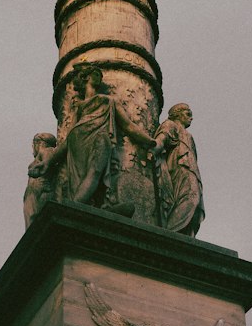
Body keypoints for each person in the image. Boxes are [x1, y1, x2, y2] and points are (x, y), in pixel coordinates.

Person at [49, 63, 154, 212]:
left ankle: (84, 205)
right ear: (86, 78)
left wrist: (148, 141)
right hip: (87, 139)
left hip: (86, 138)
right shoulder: (100, 102)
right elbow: (128, 125)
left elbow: (129, 126)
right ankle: (75, 208)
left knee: (91, 173)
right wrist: (48, 161)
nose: (100, 77)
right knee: (94, 172)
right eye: (96, 74)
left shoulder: (101, 102)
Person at [153, 102, 204, 235]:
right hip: (180, 169)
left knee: (196, 206)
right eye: (188, 114)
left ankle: (185, 235)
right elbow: (161, 140)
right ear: (177, 114)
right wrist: (152, 150)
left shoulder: (189, 136)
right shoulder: (171, 125)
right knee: (190, 198)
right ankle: (170, 232)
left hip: (192, 171)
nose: (191, 118)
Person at [23, 131, 58, 228]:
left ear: (39, 143)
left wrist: (36, 171)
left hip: (41, 188)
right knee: (31, 217)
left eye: (33, 144)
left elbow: (46, 164)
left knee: (36, 218)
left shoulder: (46, 150)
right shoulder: (44, 153)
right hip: (35, 190)